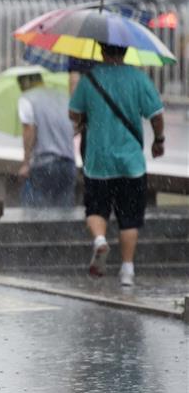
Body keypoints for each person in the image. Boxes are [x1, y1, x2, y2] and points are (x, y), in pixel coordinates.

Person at [69, 42, 166, 287]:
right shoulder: (138, 78)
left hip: (98, 162)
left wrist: (85, 117)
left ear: (101, 50)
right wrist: (158, 140)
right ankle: (127, 271)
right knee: (130, 218)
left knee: (95, 209)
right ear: (127, 50)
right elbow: (156, 114)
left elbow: (74, 113)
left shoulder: (89, 79)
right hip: (131, 163)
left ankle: (100, 240)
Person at [16, 72, 76, 208]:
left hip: (44, 164)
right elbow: (75, 125)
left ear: (25, 83)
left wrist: (26, 163)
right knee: (65, 214)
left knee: (37, 214)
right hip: (68, 164)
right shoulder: (62, 97)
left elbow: (29, 129)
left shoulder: (27, 98)